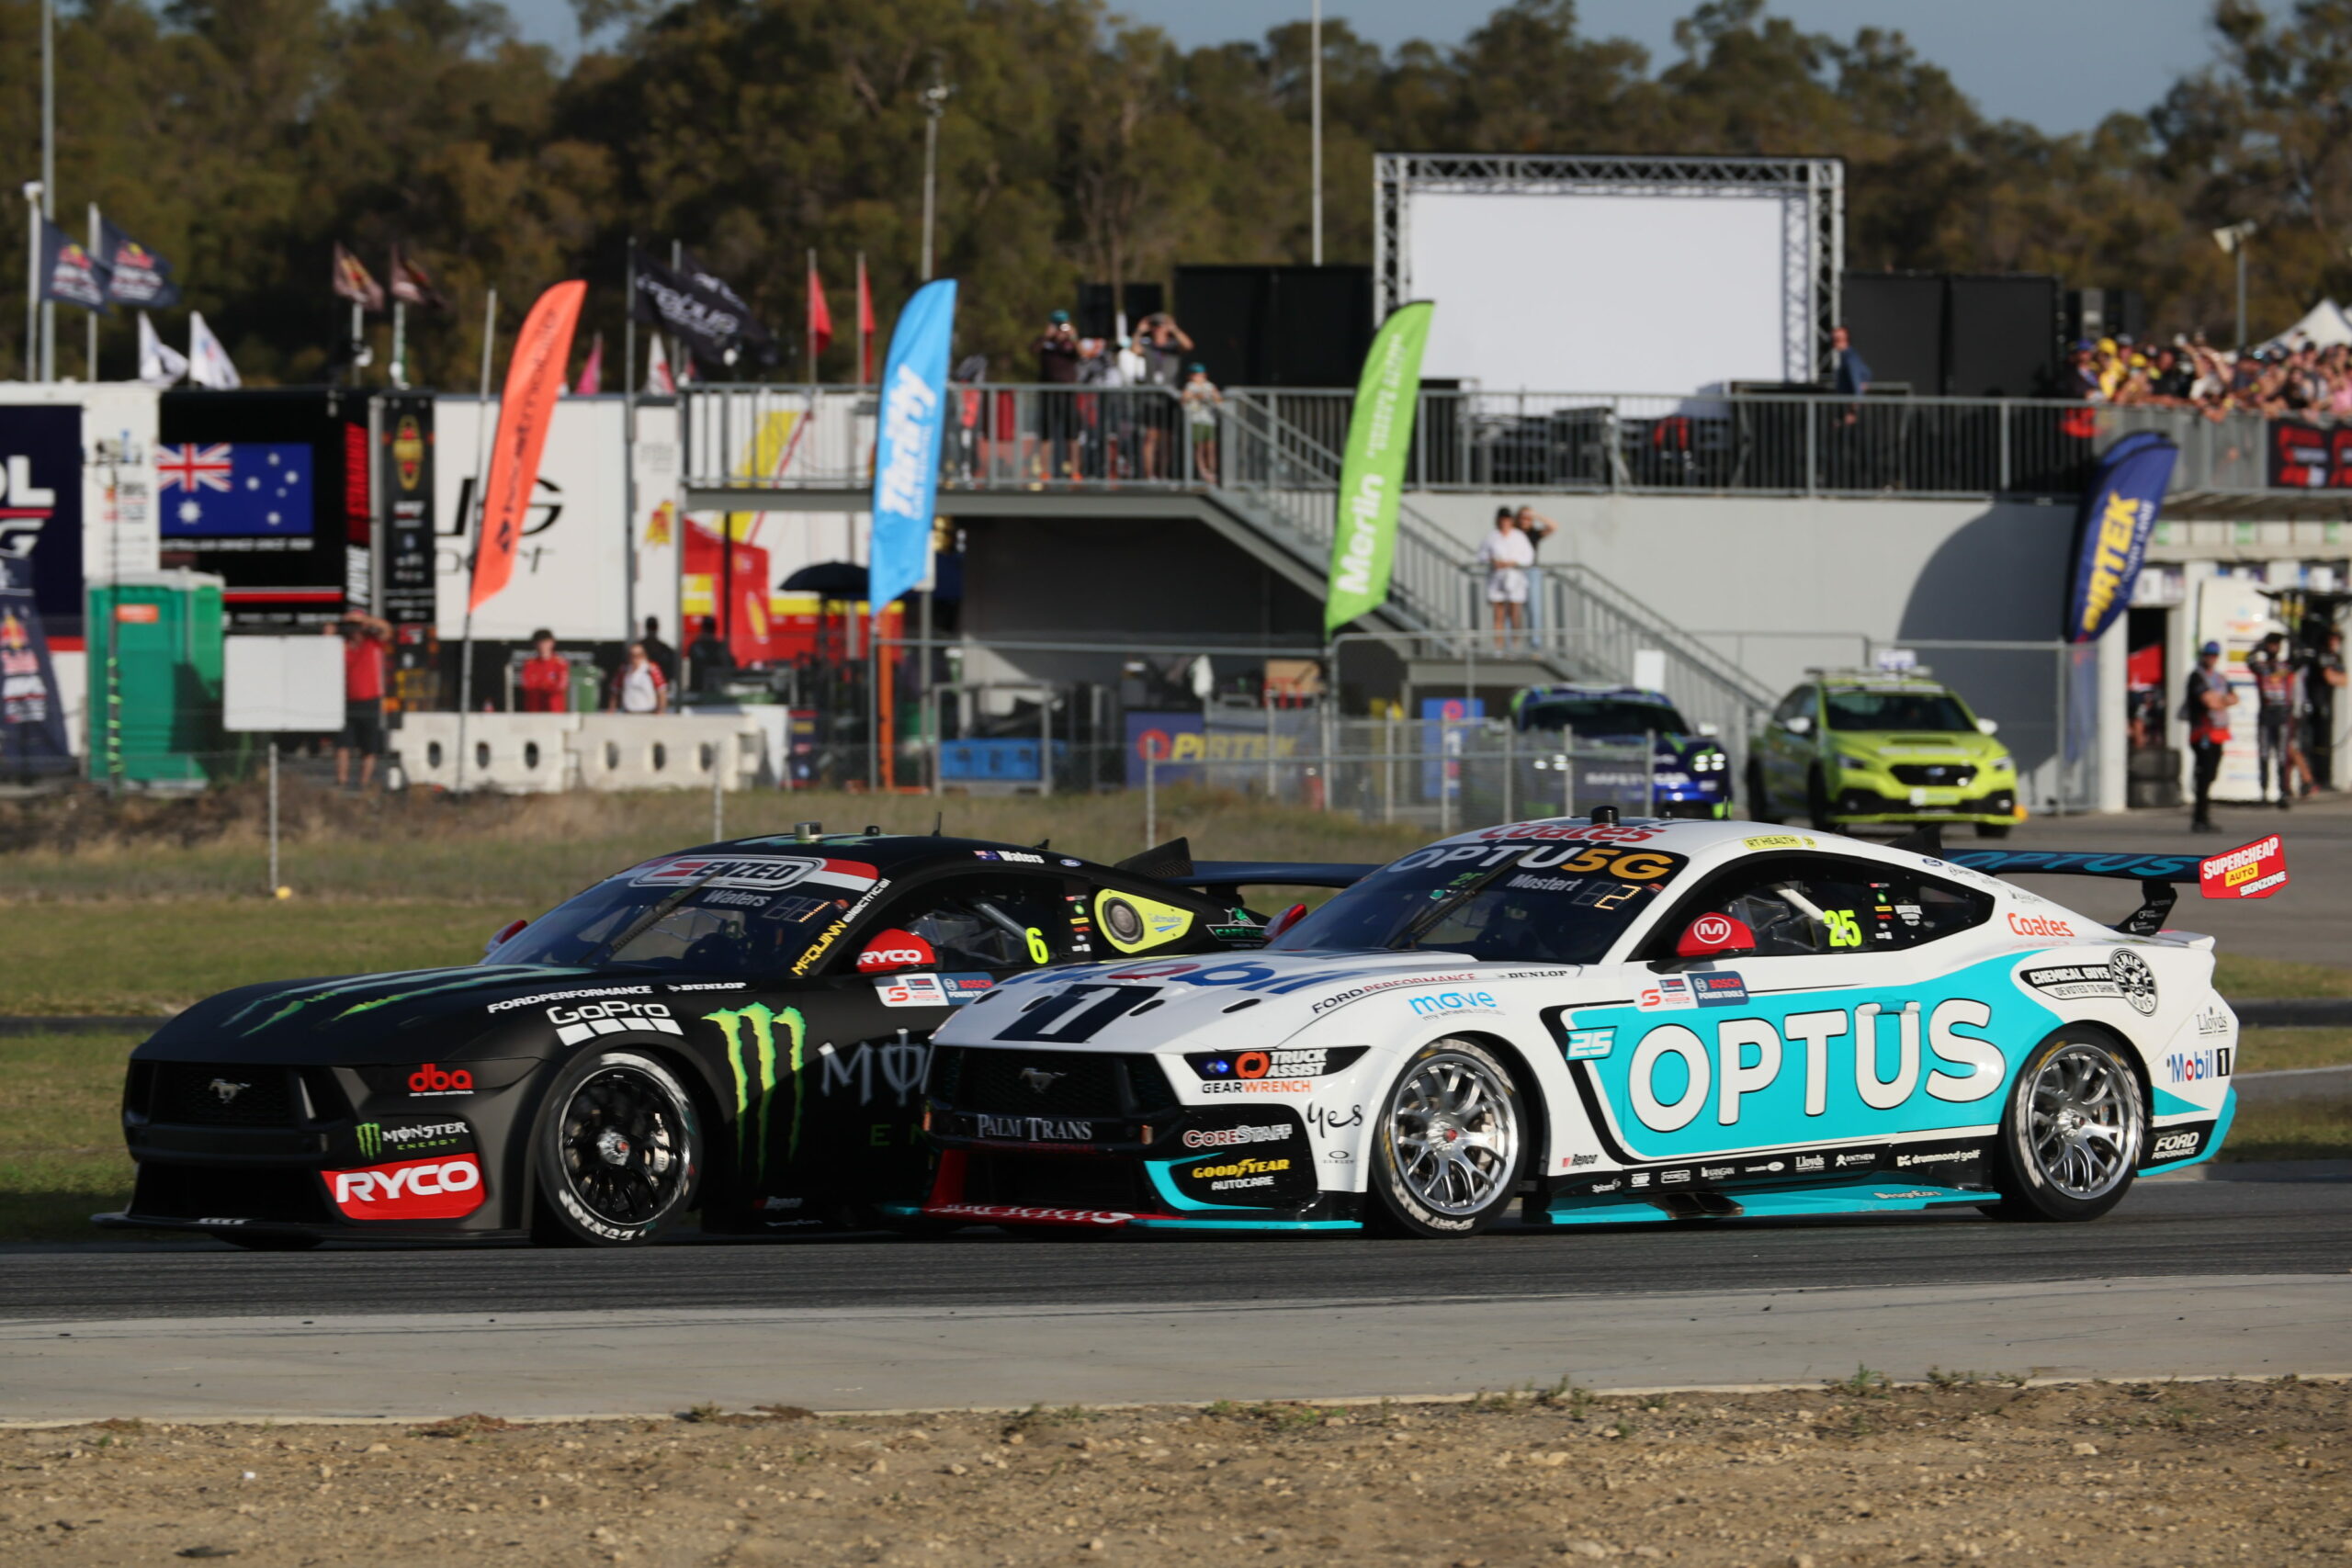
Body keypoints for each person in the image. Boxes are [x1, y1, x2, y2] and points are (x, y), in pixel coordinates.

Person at [328, 609, 392, 789]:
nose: (353, 630)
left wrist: (364, 620)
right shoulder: (341, 644)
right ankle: (341, 781)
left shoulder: (374, 642)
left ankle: (364, 783)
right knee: (342, 743)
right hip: (346, 700)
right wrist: (334, 630)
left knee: (369, 745)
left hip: (370, 699)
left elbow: (386, 629)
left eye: (356, 626)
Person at [2183, 640, 2236, 833]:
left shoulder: (2219, 678)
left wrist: (2219, 700)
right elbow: (2209, 702)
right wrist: (2220, 700)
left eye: (2214, 655)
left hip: (2218, 733)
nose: (2211, 658)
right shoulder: (2196, 677)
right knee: (2204, 775)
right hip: (2202, 732)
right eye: (2208, 655)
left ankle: (2203, 815)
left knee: (2212, 773)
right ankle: (2200, 818)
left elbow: (2233, 698)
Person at [2246, 631, 2304, 807]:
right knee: (2264, 754)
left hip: (2282, 714)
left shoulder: (2285, 666)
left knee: (2281, 755)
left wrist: (2293, 641)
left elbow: (2301, 660)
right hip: (2266, 714)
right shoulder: (2261, 667)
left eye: (2276, 644)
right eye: (2271, 644)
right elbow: (2248, 660)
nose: (2273, 647)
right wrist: (2259, 646)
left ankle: (2282, 793)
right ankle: (2263, 794)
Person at [1476, 510, 1534, 653]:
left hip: (1515, 578)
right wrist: (1493, 561)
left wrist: (1512, 562)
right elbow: (1481, 555)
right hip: (1497, 578)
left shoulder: (1519, 536)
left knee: (1514, 614)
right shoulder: (1492, 537)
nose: (1504, 523)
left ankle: (1515, 646)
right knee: (1499, 614)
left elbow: (1528, 557)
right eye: (1502, 520)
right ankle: (1499, 647)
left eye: (1507, 520)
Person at [1035, 309, 1082, 480]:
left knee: (1072, 434)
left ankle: (1075, 471)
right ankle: (1045, 472)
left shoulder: (1070, 343)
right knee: (1047, 434)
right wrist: (1047, 336)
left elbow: (1082, 355)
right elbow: (1034, 350)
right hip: (1049, 394)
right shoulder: (1045, 343)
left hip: (1068, 394)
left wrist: (1073, 336)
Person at [2303, 627, 2347, 791]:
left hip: (2327, 703)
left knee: (2326, 743)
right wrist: (2335, 675)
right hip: (2316, 704)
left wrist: (2336, 676)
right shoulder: (2322, 655)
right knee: (2315, 743)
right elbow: (2330, 677)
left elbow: (2344, 680)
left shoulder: (2336, 656)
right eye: (2333, 638)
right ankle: (2316, 778)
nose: (2335, 642)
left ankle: (2325, 778)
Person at [1180, 363, 1222, 483]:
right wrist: (1196, 396)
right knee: (1199, 448)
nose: (1197, 377)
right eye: (1194, 374)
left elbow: (1219, 400)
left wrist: (1212, 396)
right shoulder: (1190, 386)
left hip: (1209, 420)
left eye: (1200, 374)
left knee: (1211, 448)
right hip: (1196, 420)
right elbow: (1183, 399)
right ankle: (1202, 472)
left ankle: (1212, 472)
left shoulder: (1210, 386)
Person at [608, 640, 669, 715]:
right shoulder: (624, 670)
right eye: (632, 656)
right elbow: (615, 690)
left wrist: (661, 710)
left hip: (649, 712)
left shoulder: (651, 668)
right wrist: (611, 709)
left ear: (644, 656)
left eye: (639, 655)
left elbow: (662, 690)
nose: (635, 659)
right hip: (629, 712)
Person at [517, 629, 570, 714]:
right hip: (534, 710)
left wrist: (543, 687)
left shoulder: (560, 664)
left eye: (546, 642)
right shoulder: (530, 664)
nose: (543, 646)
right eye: (540, 643)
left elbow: (561, 685)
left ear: (552, 643)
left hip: (555, 710)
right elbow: (527, 685)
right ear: (535, 644)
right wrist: (547, 686)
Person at [685, 615, 735, 695]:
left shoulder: (718, 646)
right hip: (699, 688)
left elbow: (728, 665)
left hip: (714, 688)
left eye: (709, 630)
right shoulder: (697, 646)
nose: (708, 632)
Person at [640, 616, 678, 688]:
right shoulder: (640, 648)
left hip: (661, 685)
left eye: (653, 628)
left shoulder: (665, 649)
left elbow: (672, 670)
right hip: (643, 685)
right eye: (650, 627)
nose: (651, 631)